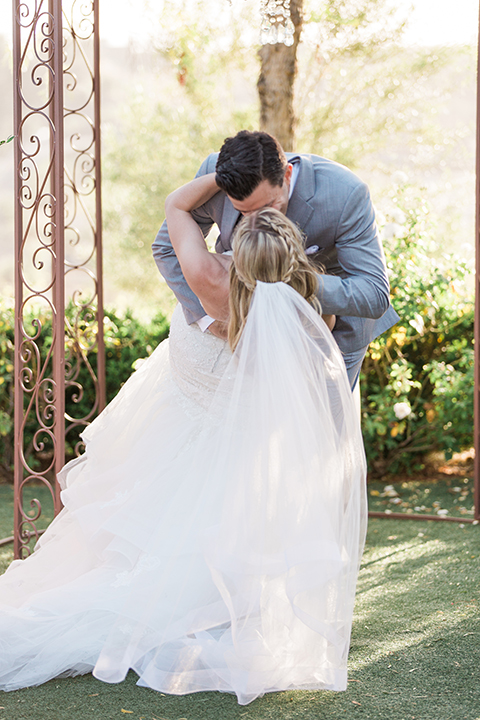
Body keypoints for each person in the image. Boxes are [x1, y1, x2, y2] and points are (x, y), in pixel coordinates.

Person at [0, 175, 367, 706]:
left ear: (237, 255)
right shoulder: (312, 315)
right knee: (209, 521)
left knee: (146, 519)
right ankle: (222, 603)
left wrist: (223, 173)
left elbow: (173, 212)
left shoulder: (205, 279)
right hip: (232, 439)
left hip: (177, 420)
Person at [153, 130, 399, 389]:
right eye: (243, 212)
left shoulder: (345, 194)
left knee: (320, 426)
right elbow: (166, 248)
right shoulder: (218, 176)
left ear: (287, 175)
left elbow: (374, 295)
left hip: (331, 334)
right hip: (238, 339)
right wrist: (208, 317)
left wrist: (291, 286)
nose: (256, 222)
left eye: (267, 207)